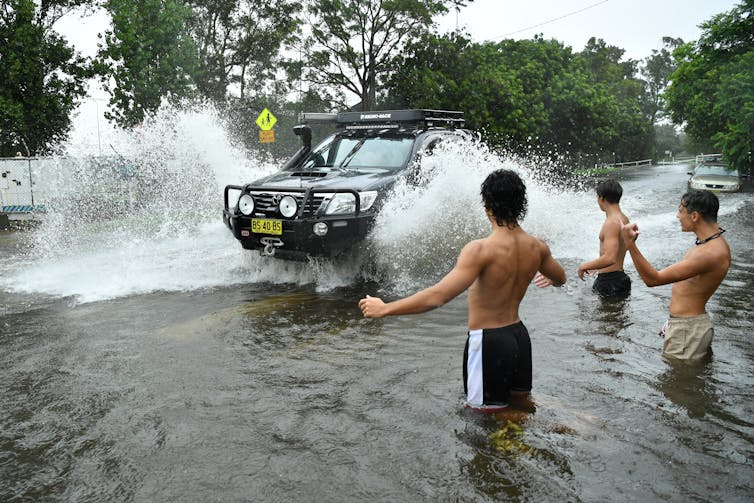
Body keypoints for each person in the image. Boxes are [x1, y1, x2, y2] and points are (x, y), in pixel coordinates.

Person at [358, 169, 566, 410]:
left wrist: (385, 309)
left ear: (487, 203)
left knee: (482, 414)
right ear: (521, 203)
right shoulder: (537, 246)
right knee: (520, 403)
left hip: (488, 341)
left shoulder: (480, 249)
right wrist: (549, 279)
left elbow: (438, 296)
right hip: (519, 337)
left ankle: (555, 430)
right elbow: (560, 278)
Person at [621, 190, 731, 361]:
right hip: (687, 326)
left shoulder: (709, 253)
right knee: (685, 382)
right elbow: (689, 289)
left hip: (688, 330)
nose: (677, 215)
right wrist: (671, 322)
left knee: (676, 386)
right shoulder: (710, 243)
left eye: (680, 210)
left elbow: (652, 279)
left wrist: (629, 244)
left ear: (694, 216)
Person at [578, 180, 631, 298]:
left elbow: (610, 258)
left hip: (610, 282)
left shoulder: (611, 223)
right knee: (617, 315)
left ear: (601, 198)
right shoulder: (624, 219)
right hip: (618, 277)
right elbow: (622, 249)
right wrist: (597, 266)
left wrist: (584, 266)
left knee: (606, 316)